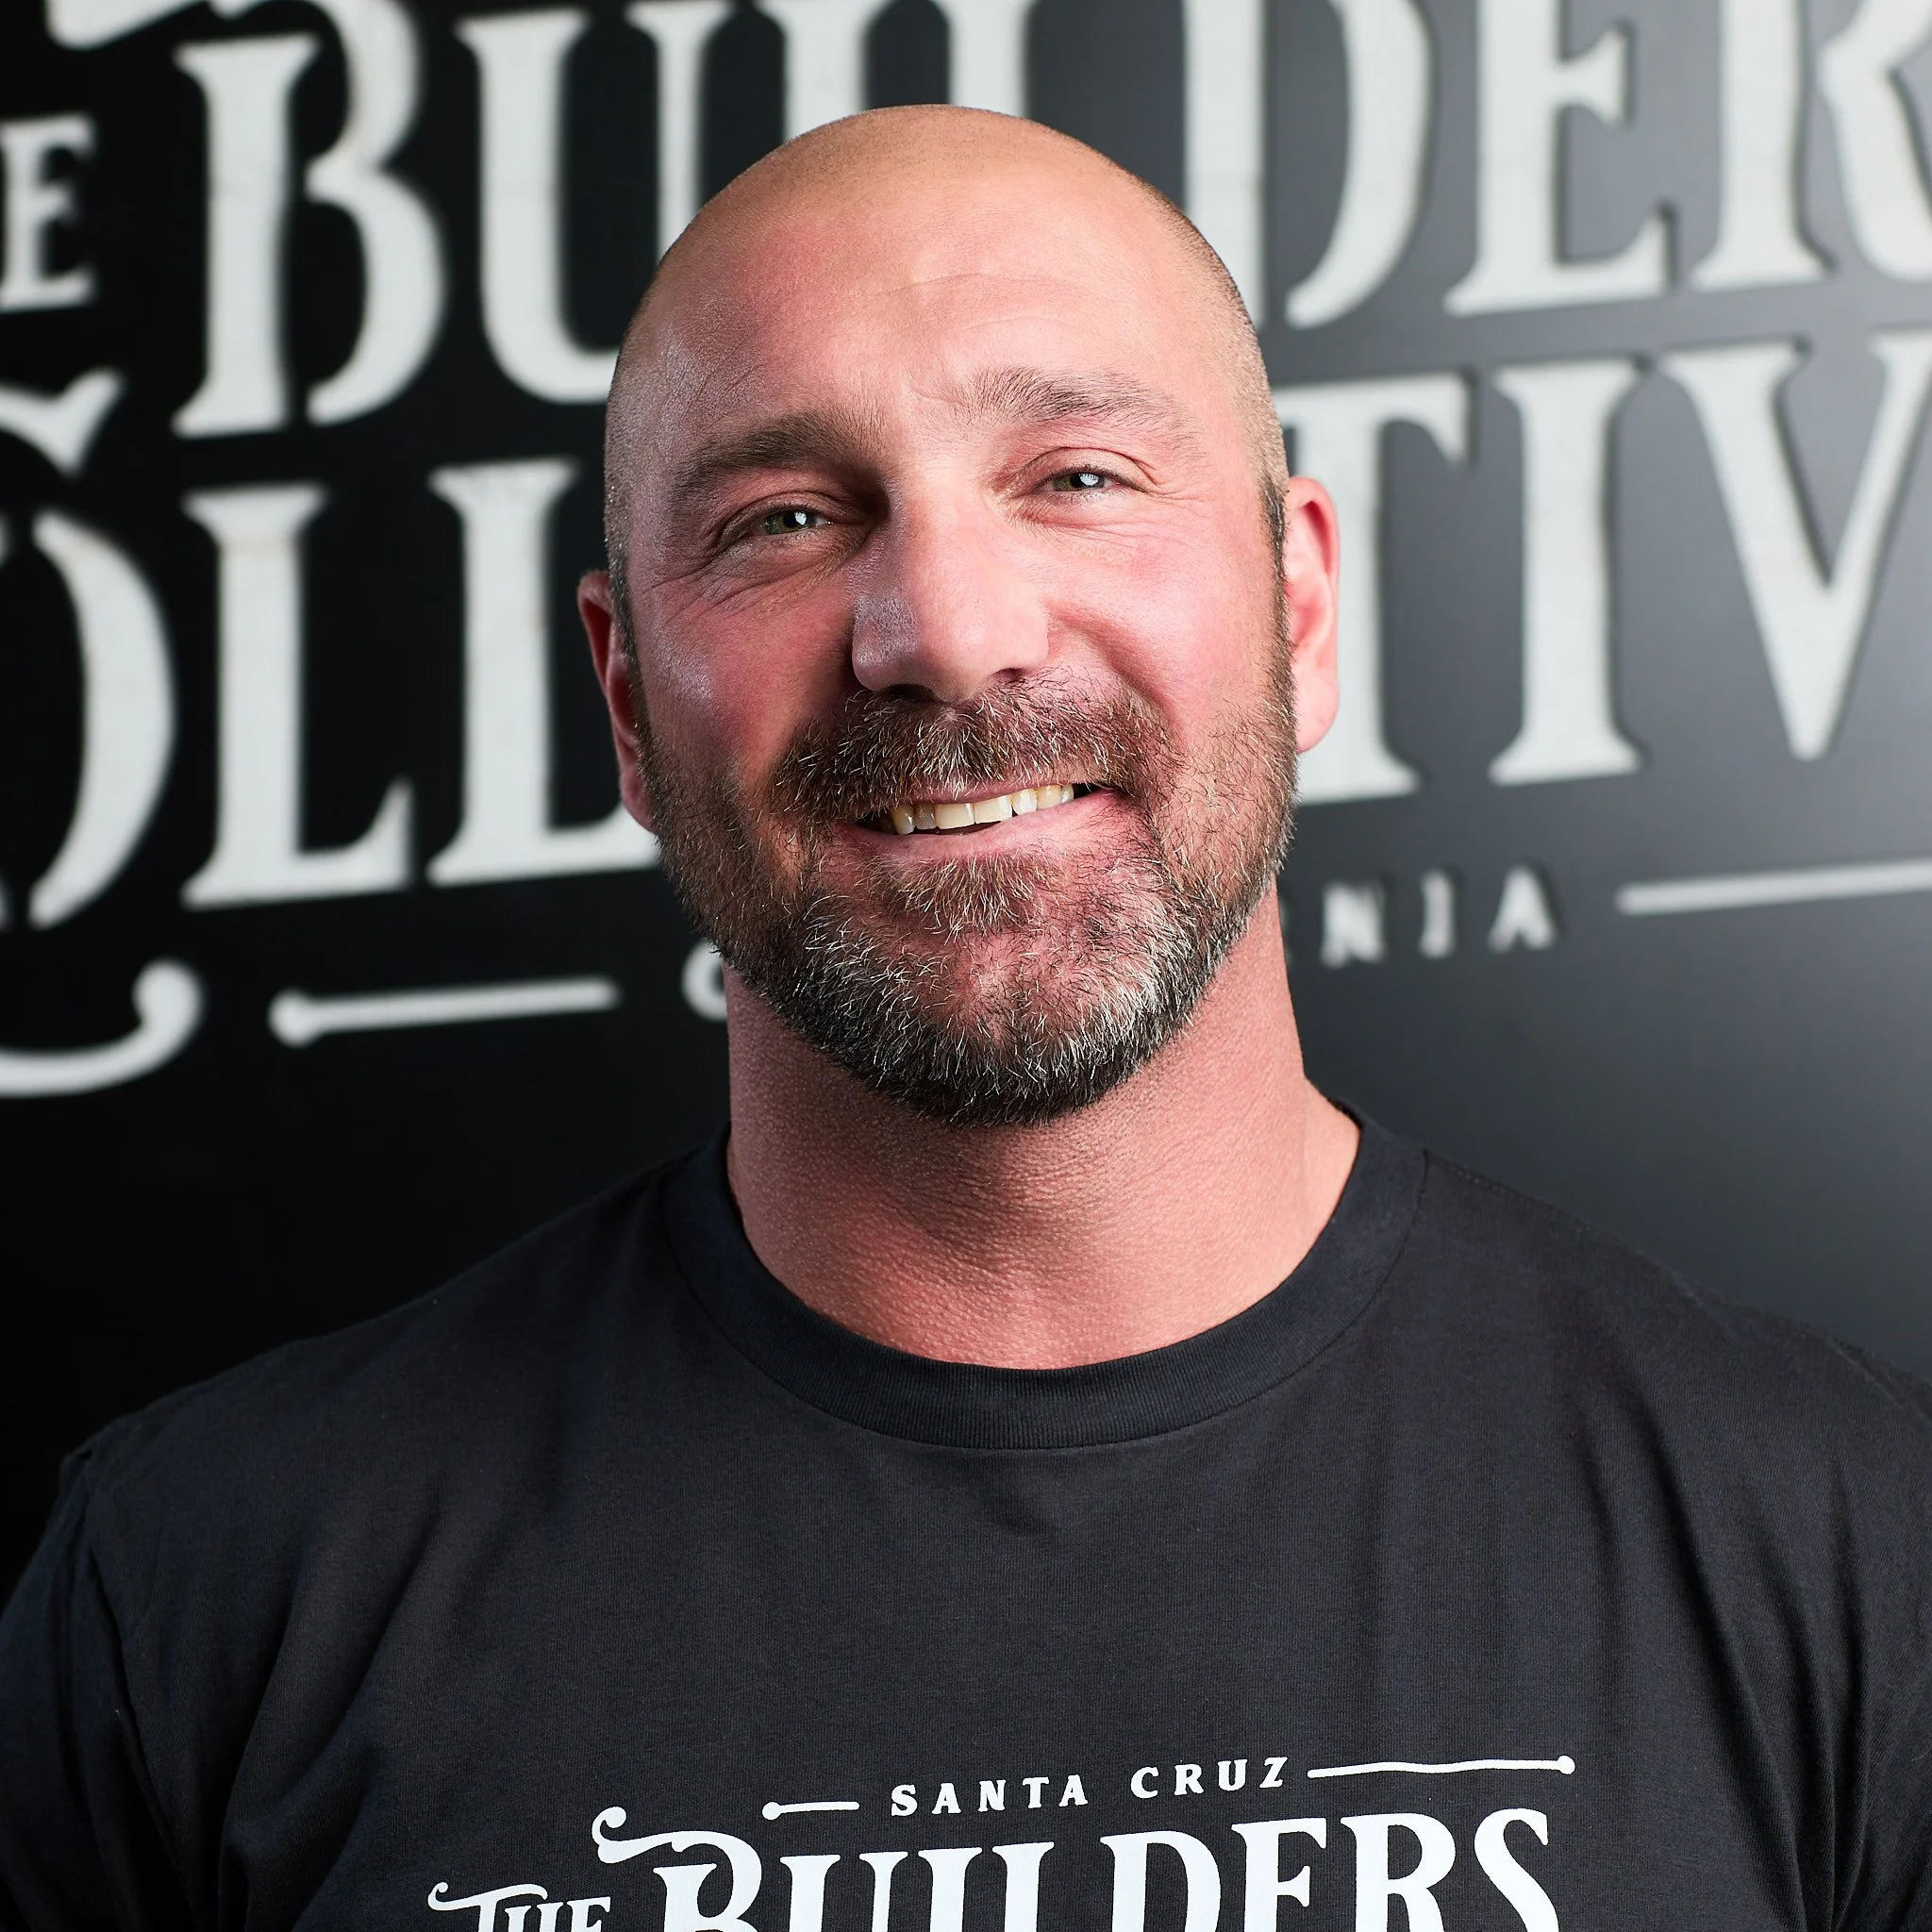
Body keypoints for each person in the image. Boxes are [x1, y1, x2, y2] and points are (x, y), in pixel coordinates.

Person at [2, 104, 1929, 1932]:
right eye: (779, 516)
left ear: (1298, 601)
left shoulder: (1846, 1548)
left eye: (1075, 478)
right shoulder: (200, 1590)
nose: (943, 624)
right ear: (622, 698)